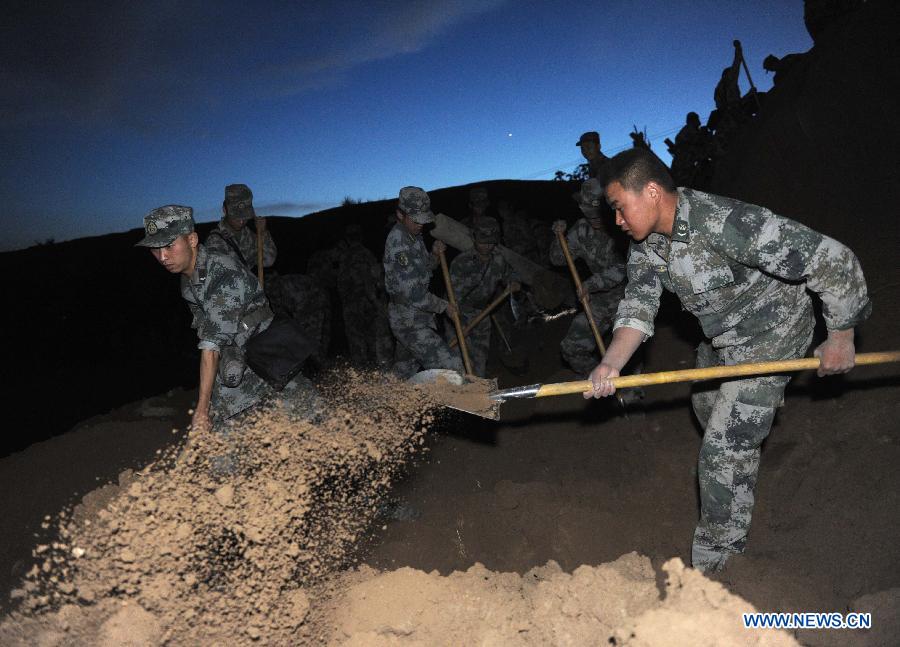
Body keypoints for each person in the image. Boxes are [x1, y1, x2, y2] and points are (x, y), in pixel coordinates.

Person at [584, 148, 871, 572]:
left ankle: (718, 565)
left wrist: (841, 335)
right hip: (726, 341)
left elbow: (831, 259)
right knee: (704, 404)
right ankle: (746, 440)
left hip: (775, 334)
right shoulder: (646, 247)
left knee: (720, 453)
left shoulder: (724, 222)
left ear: (650, 192)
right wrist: (611, 363)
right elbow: (639, 308)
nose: (618, 222)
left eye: (619, 208)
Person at [136, 205, 317, 432]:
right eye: (155, 249)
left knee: (314, 421)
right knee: (222, 429)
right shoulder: (188, 280)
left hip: (266, 349)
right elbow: (206, 328)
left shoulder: (221, 271)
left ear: (192, 239)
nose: (162, 257)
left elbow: (210, 348)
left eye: (170, 246)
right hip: (236, 350)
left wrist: (201, 410)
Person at [384, 186, 464, 379]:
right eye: (415, 219)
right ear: (400, 214)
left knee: (403, 372)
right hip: (408, 320)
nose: (421, 224)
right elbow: (414, 294)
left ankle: (382, 402)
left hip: (416, 316)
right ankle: (464, 407)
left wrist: (435, 255)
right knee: (451, 366)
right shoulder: (399, 244)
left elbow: (423, 270)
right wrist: (444, 306)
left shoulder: (413, 236)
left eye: (422, 219)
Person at [550, 178, 627, 375]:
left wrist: (590, 284)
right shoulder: (581, 229)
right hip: (600, 300)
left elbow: (624, 268)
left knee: (626, 353)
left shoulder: (625, 223)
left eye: (598, 214)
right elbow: (558, 259)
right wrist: (559, 238)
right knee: (571, 347)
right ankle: (599, 383)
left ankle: (630, 394)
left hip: (630, 297)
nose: (595, 220)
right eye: (589, 214)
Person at [449, 217, 520, 377]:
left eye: (490, 242)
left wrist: (513, 282)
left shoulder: (499, 259)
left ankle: (478, 393)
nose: (487, 246)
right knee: (459, 361)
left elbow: (511, 273)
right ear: (474, 238)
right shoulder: (461, 262)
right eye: (483, 242)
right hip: (458, 315)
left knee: (480, 358)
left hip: (482, 314)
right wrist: (458, 323)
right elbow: (452, 296)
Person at [335, 223, 389, 367]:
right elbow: (375, 279)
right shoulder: (367, 254)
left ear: (347, 239)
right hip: (368, 302)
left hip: (352, 304)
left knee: (355, 339)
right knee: (371, 336)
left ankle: (362, 371)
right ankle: (374, 368)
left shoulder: (344, 256)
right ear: (360, 237)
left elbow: (340, 283)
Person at [206, 183, 276, 271]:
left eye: (245, 215)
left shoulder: (247, 234)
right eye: (236, 215)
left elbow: (268, 260)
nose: (242, 220)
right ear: (224, 210)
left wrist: (262, 232)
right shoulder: (215, 241)